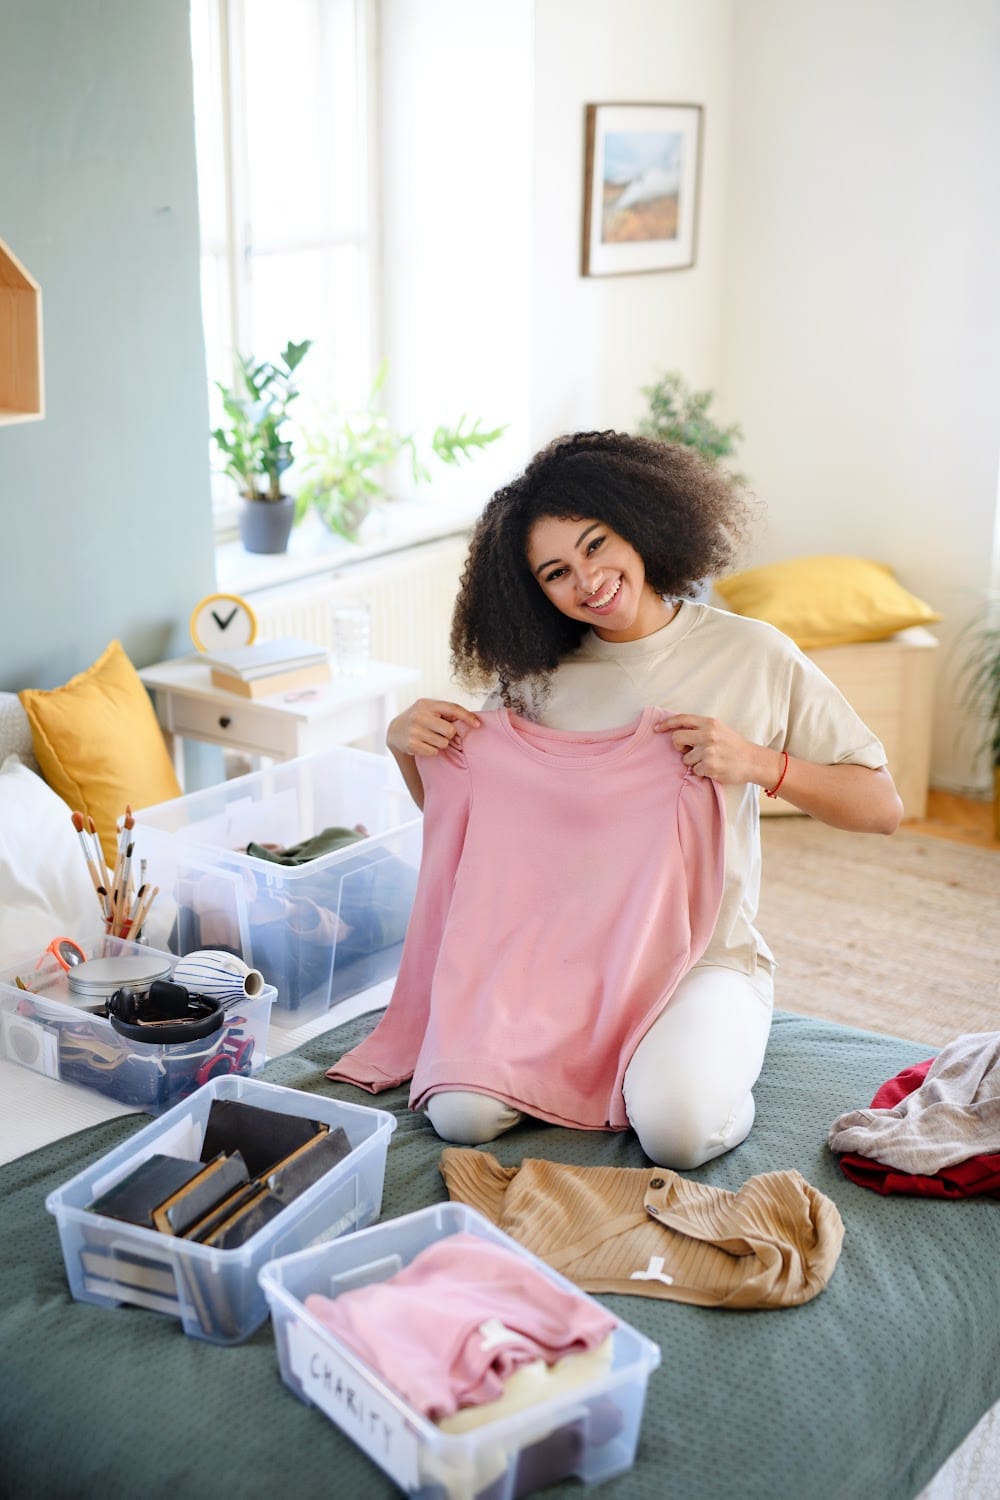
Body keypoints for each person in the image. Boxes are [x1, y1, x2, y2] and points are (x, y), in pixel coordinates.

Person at [385, 430, 903, 1169]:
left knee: (678, 1131)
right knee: (459, 1115)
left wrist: (757, 763)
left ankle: (690, 1061)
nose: (588, 580)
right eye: (557, 572)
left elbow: (881, 807)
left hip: (702, 960)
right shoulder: (538, 679)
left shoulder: (754, 654)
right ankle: (611, 1069)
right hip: (561, 962)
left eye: (597, 545)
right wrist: (407, 747)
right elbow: (472, 825)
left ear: (640, 524)